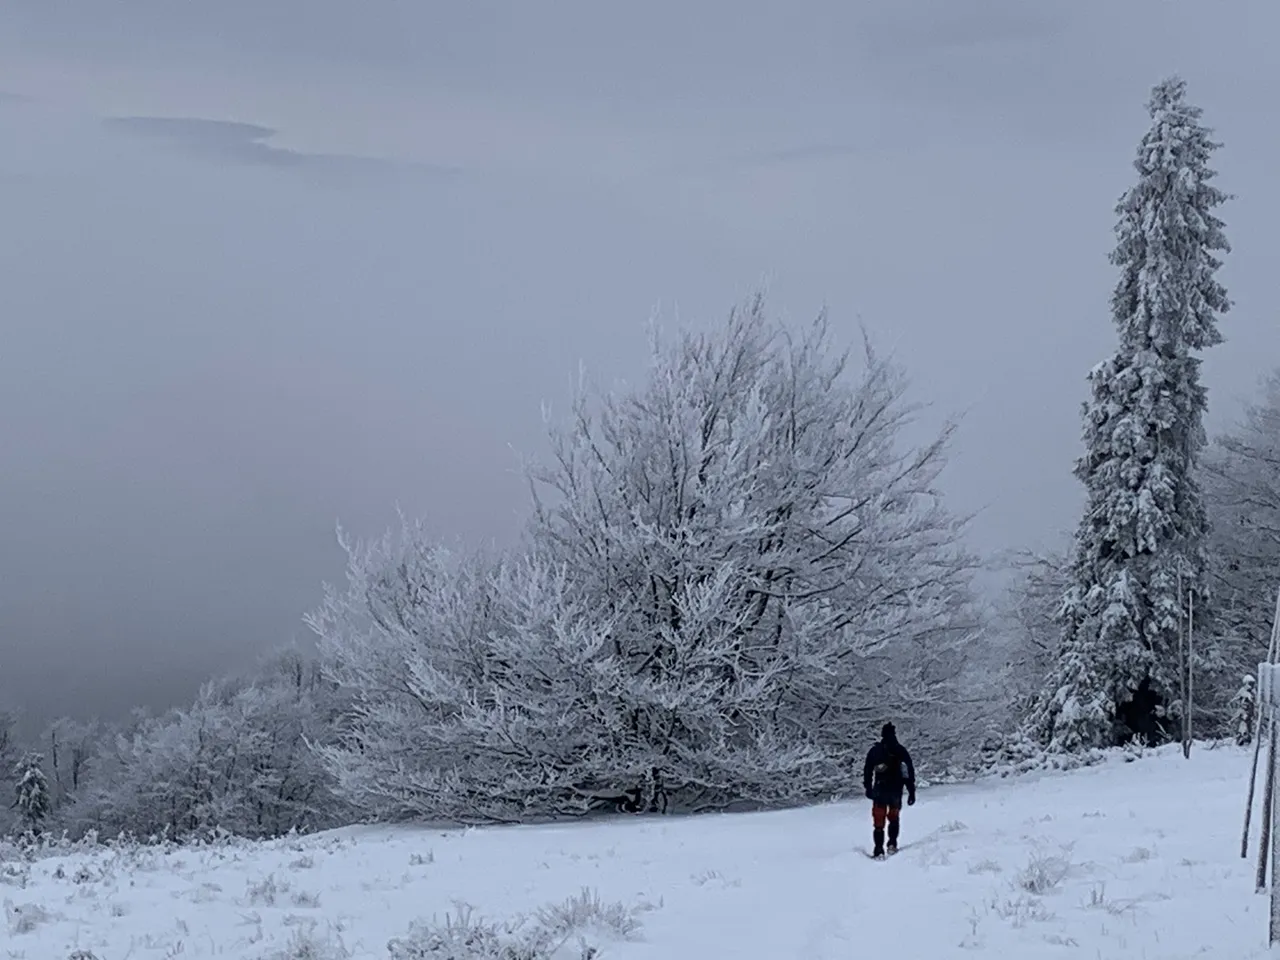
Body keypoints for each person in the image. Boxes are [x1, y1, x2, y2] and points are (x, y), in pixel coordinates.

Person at [863, 722, 916, 858]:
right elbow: (907, 772)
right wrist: (911, 791)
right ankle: (892, 844)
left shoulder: (875, 751)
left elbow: (868, 770)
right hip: (896, 791)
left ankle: (878, 849)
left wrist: (868, 787)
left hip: (880, 790)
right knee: (894, 818)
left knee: (879, 822)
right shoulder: (900, 750)